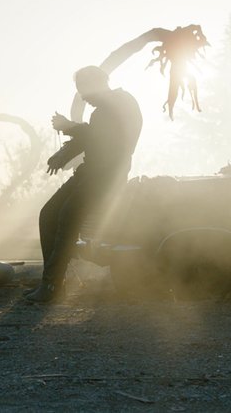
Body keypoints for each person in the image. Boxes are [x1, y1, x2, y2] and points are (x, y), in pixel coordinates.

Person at [24, 30, 162, 303]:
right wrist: (63, 154)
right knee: (48, 214)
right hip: (89, 173)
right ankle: (53, 283)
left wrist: (69, 128)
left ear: (98, 84)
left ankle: (52, 287)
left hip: (106, 176)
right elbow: (92, 134)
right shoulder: (103, 109)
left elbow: (102, 137)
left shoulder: (123, 103)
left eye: (85, 93)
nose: (84, 99)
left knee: (65, 218)